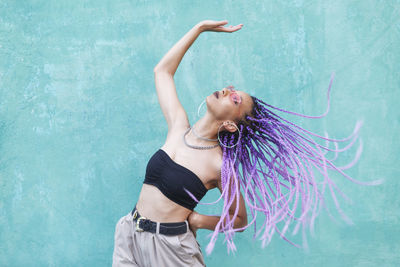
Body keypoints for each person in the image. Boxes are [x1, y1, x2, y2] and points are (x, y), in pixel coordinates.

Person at [112, 20, 383, 267]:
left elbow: (239, 220)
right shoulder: (178, 127)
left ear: (231, 125)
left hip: (170, 249)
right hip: (129, 234)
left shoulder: (219, 164)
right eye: (231, 88)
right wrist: (199, 29)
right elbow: (162, 72)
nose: (228, 91)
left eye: (235, 99)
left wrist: (197, 221)